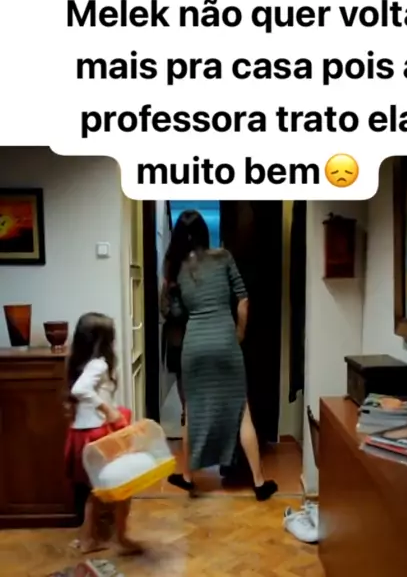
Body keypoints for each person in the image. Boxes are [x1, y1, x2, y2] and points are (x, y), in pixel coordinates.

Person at [164, 210, 278, 501]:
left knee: (192, 412)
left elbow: (174, 313)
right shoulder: (224, 257)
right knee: (242, 411)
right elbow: (243, 300)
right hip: (225, 341)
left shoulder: (177, 269)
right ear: (205, 232)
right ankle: (259, 482)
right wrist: (238, 333)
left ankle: (187, 477)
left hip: (195, 345)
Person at [64, 312, 142, 555]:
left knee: (96, 491)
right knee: (124, 485)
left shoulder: (82, 364)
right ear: (103, 341)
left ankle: (87, 538)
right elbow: (80, 390)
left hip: (84, 433)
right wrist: (108, 410)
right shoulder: (99, 364)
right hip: (97, 433)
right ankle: (120, 538)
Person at [160, 275, 186, 427]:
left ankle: (185, 410)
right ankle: (187, 410)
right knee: (182, 374)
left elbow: (164, 309)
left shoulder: (168, 283)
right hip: (181, 334)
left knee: (181, 375)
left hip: (176, 335)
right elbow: (164, 309)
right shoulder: (170, 283)